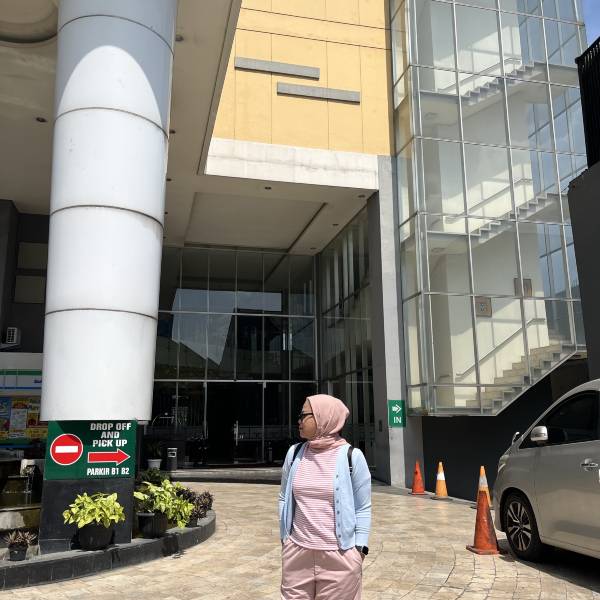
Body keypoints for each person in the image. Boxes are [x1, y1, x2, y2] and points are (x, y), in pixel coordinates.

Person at [279, 394, 371, 599]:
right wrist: (285, 538)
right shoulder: (294, 454)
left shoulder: (352, 457)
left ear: (324, 417)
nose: (299, 420)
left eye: (304, 415)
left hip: (340, 556)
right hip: (297, 554)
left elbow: (363, 507)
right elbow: (284, 497)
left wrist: (359, 550)